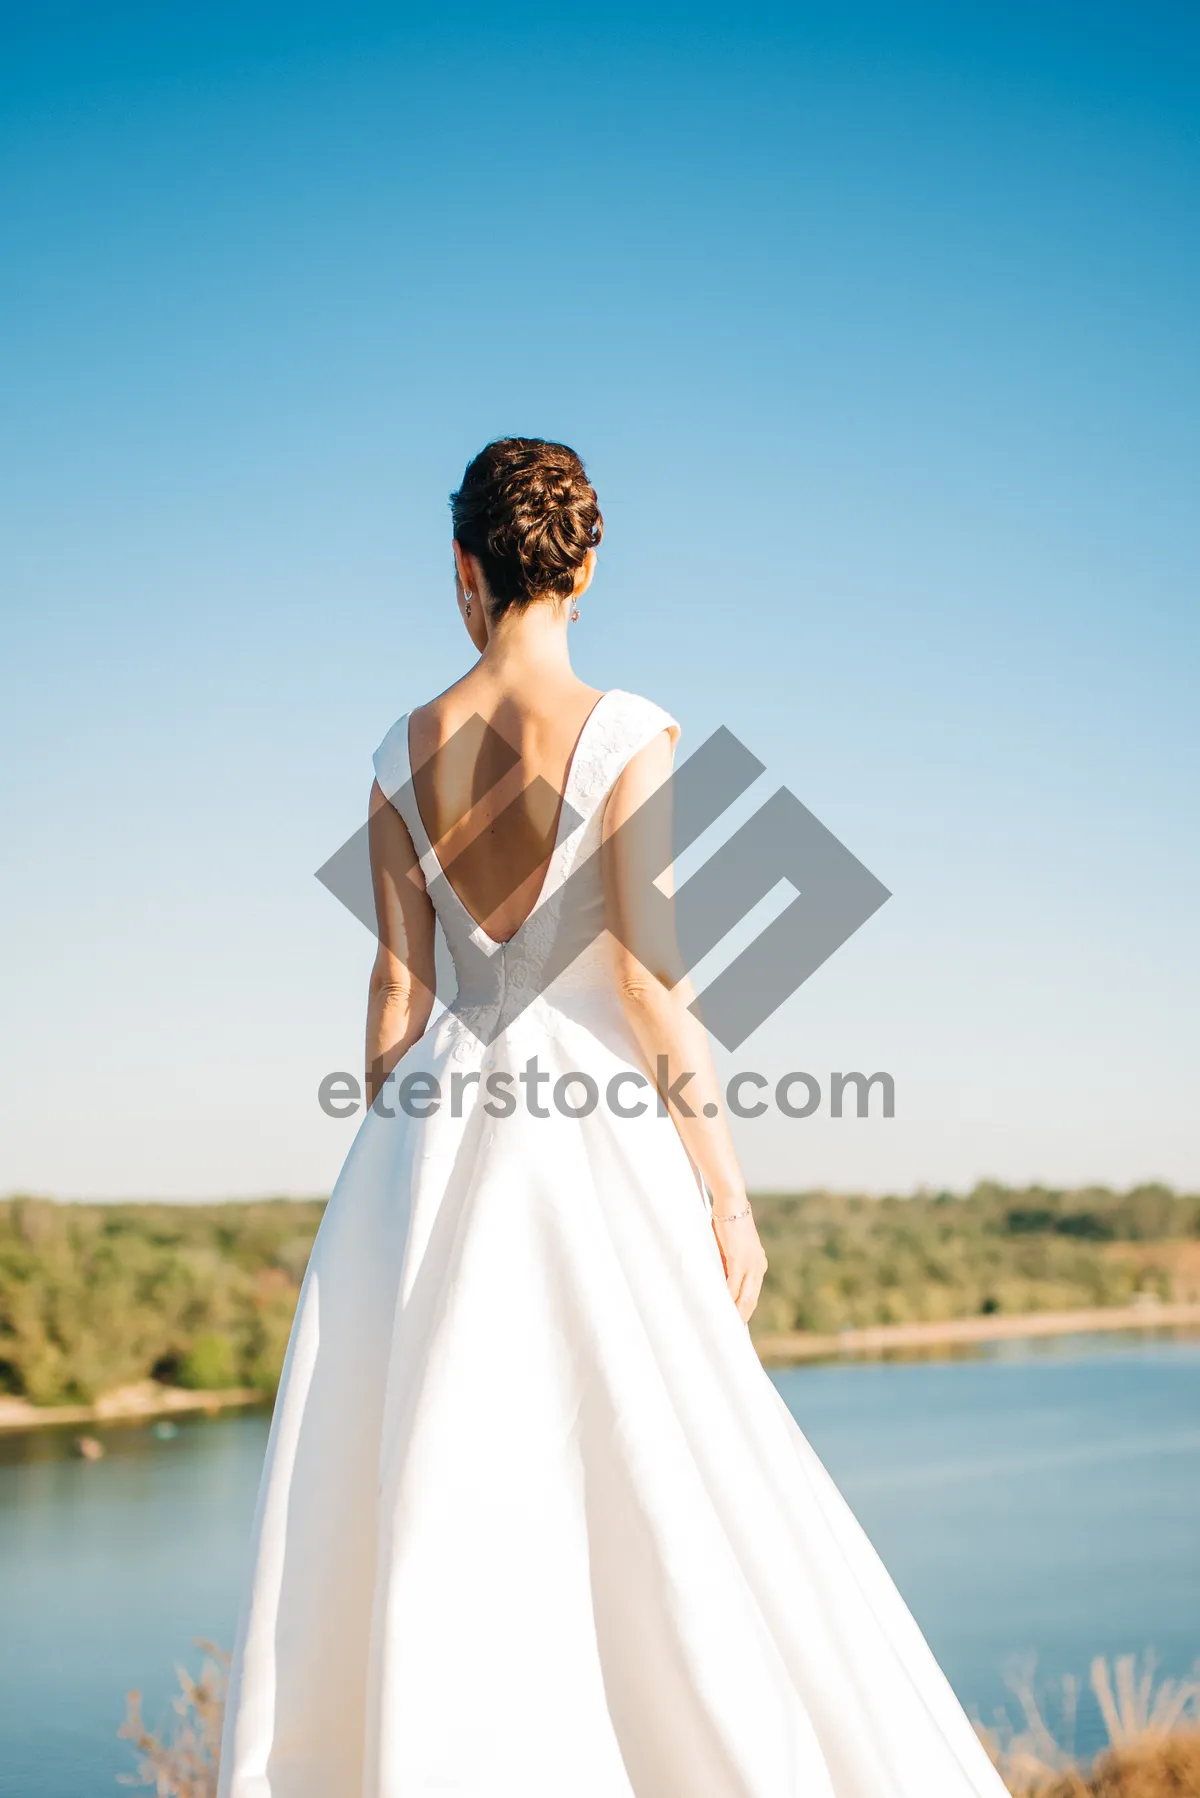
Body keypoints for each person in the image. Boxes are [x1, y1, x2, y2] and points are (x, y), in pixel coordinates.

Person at [218, 439, 1005, 1797]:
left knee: (431, 1471)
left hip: (432, 1123)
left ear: (462, 569)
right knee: (659, 1463)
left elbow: (398, 986)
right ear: (584, 567)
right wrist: (726, 1185)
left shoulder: (397, 753)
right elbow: (648, 980)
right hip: (592, 1147)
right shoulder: (631, 732)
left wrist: (391, 1161)